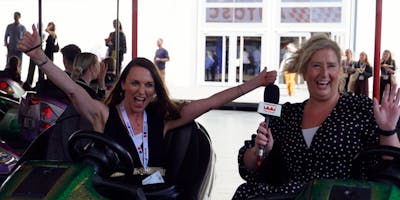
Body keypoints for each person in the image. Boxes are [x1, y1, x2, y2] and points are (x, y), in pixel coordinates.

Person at [17, 24, 277, 189]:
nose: (142, 91)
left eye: (148, 85)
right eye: (135, 84)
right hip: (111, 192)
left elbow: (210, 103)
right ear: (123, 87)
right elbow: (73, 90)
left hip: (154, 194)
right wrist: (40, 57)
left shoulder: (163, 120)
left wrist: (255, 83)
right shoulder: (103, 115)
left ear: (155, 90)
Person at [233, 34, 400, 199]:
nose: (324, 74)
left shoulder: (362, 109)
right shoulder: (286, 115)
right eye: (316, 66)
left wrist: (388, 130)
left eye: (331, 66)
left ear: (339, 72)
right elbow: (247, 167)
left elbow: (391, 166)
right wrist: (258, 151)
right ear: (304, 72)